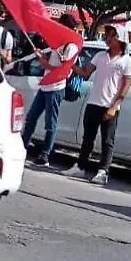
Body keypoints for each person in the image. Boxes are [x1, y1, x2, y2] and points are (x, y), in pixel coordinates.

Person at [64, 25, 131, 185]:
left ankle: (103, 171)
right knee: (88, 137)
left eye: (111, 36)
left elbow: (126, 85)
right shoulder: (100, 56)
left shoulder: (127, 61)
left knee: (107, 140)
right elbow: (85, 72)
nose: (108, 39)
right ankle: (81, 166)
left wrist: (114, 106)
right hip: (94, 102)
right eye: (107, 35)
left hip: (110, 106)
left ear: (120, 39)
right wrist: (69, 64)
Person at [21, 16, 82, 167]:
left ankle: (45, 154)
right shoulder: (59, 43)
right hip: (46, 86)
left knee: (50, 122)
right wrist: (42, 56)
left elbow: (60, 68)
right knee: (31, 118)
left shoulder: (71, 46)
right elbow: (51, 63)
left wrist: (42, 60)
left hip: (56, 87)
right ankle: (22, 147)